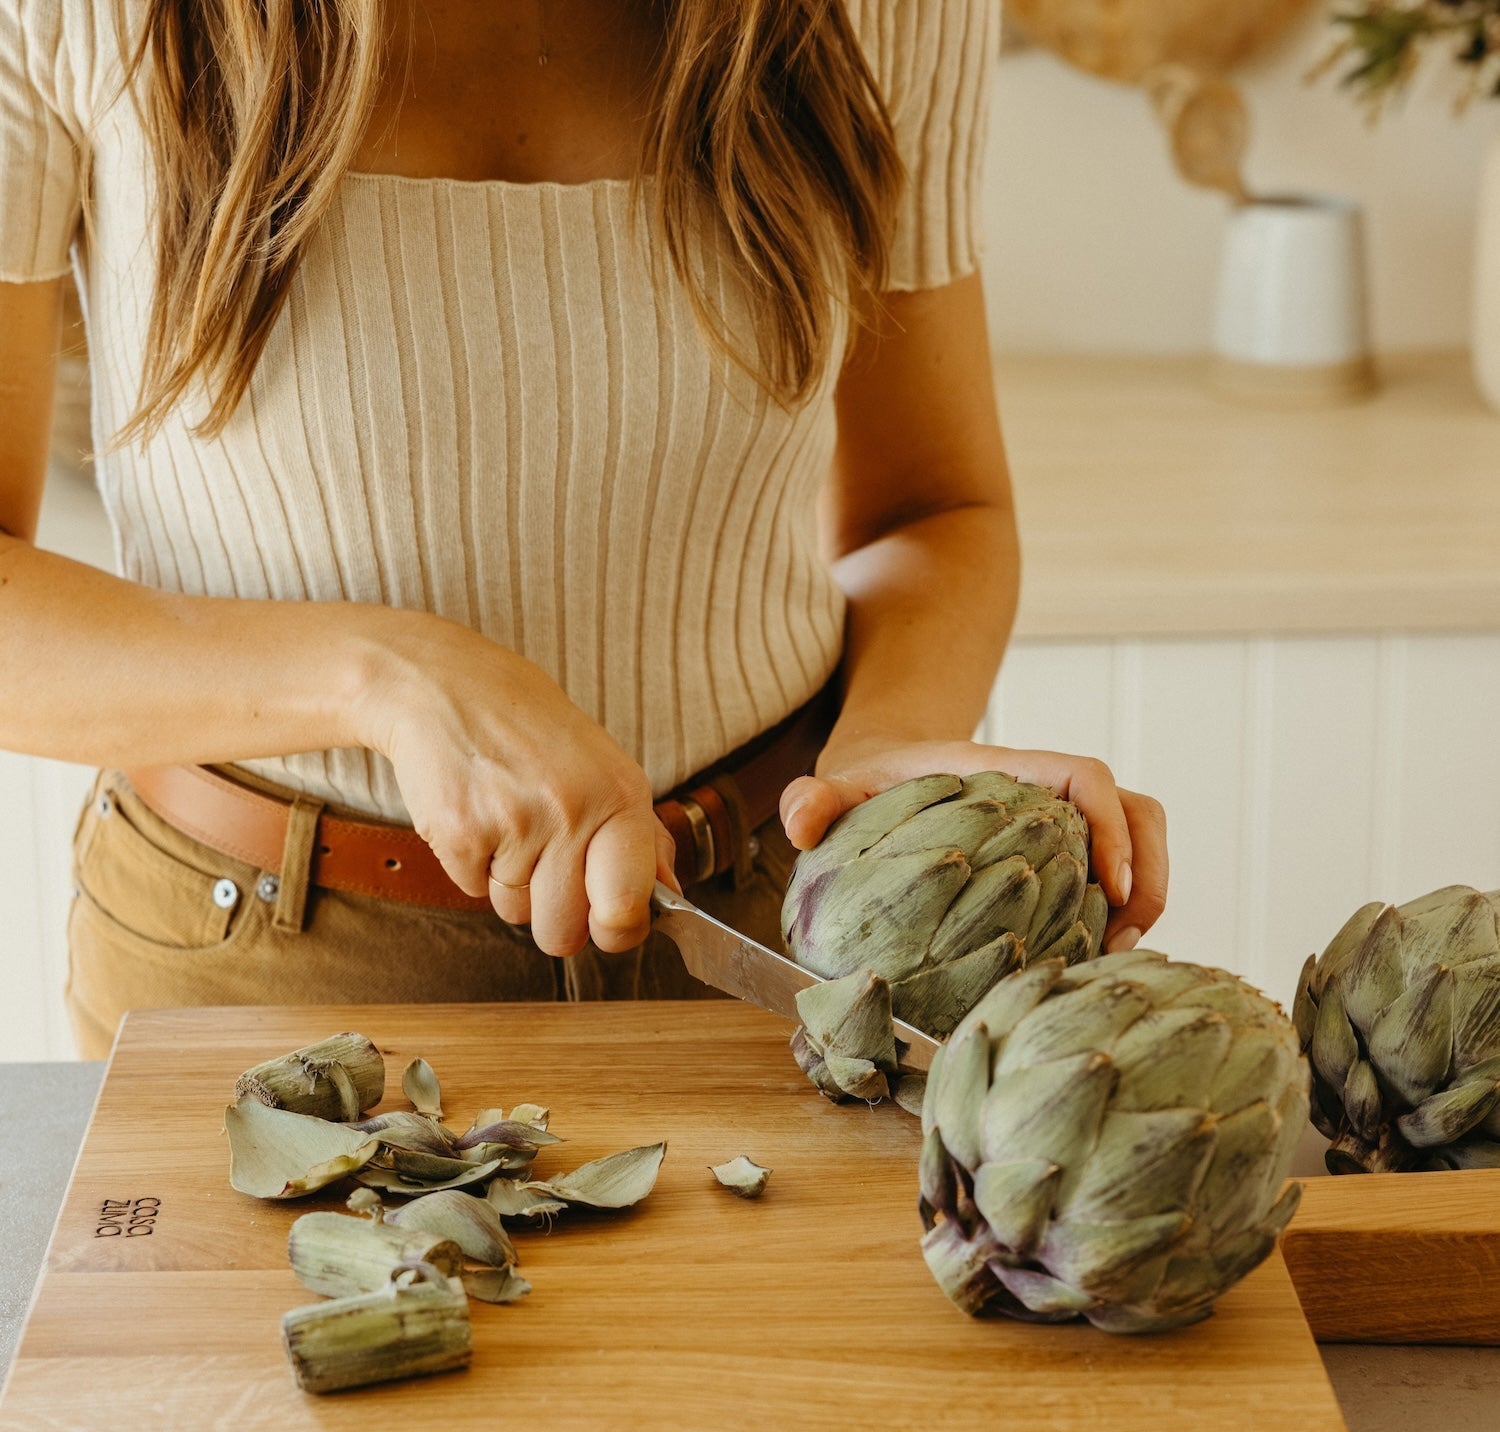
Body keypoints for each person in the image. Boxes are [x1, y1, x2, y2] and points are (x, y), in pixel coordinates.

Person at [0, 0, 1166, 1060]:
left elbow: (937, 506)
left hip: (769, 933)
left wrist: (884, 758)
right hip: (260, 967)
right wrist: (387, 679)